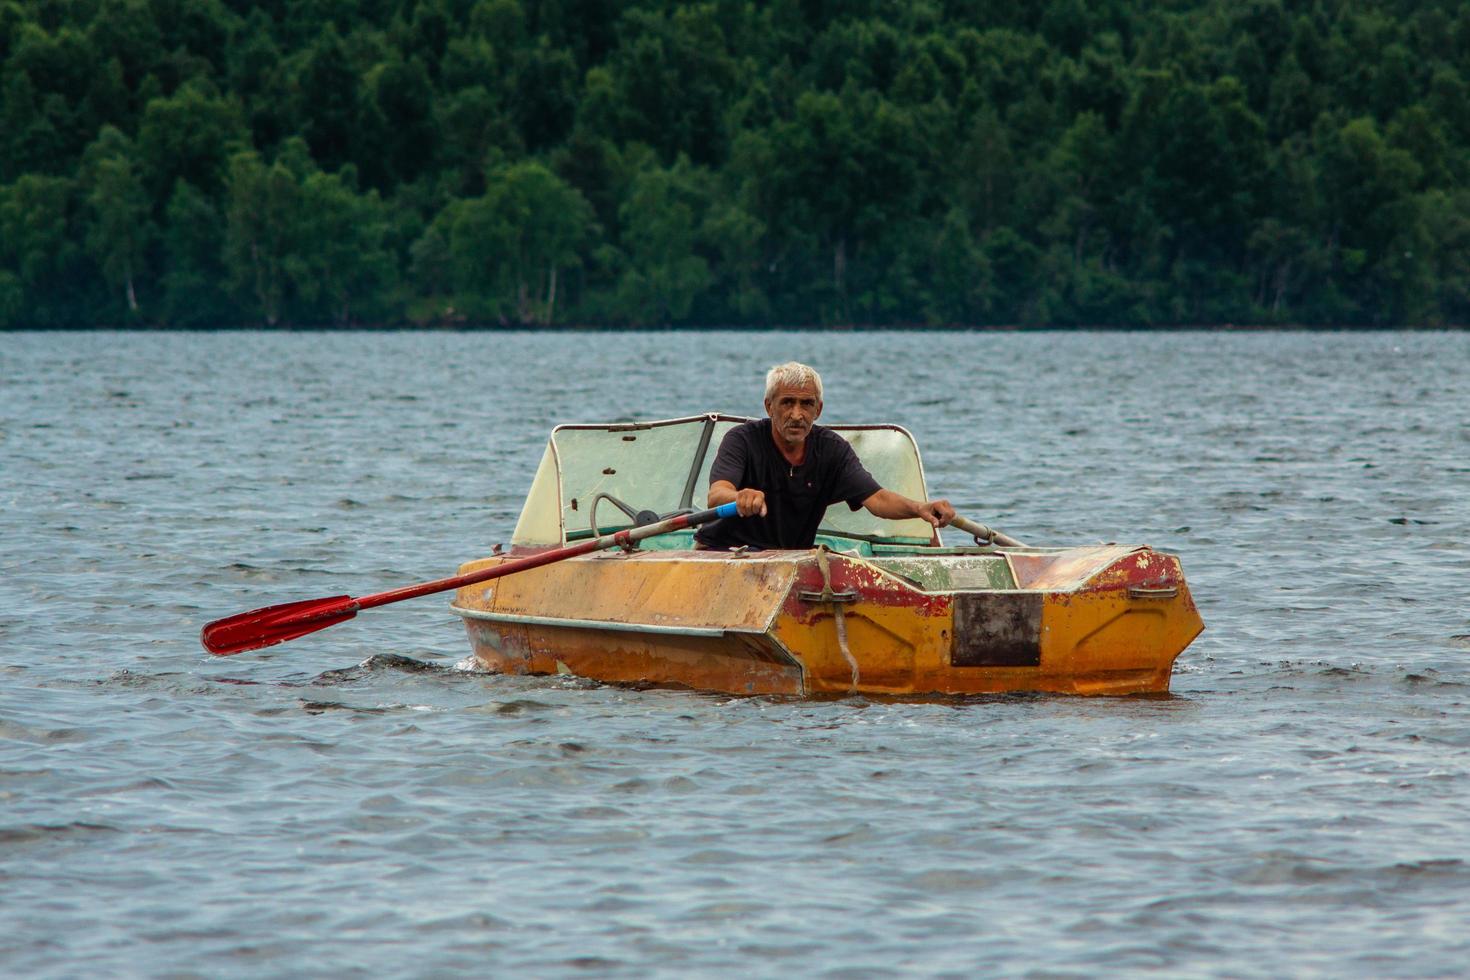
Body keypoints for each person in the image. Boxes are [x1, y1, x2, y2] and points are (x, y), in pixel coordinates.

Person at [694, 362, 955, 550]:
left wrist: (920, 508)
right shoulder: (742, 439)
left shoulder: (832, 450)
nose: (797, 415)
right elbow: (716, 495)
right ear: (769, 406)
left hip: (788, 564)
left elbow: (878, 499)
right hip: (724, 554)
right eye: (787, 403)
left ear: (818, 410)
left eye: (806, 404)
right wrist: (740, 497)